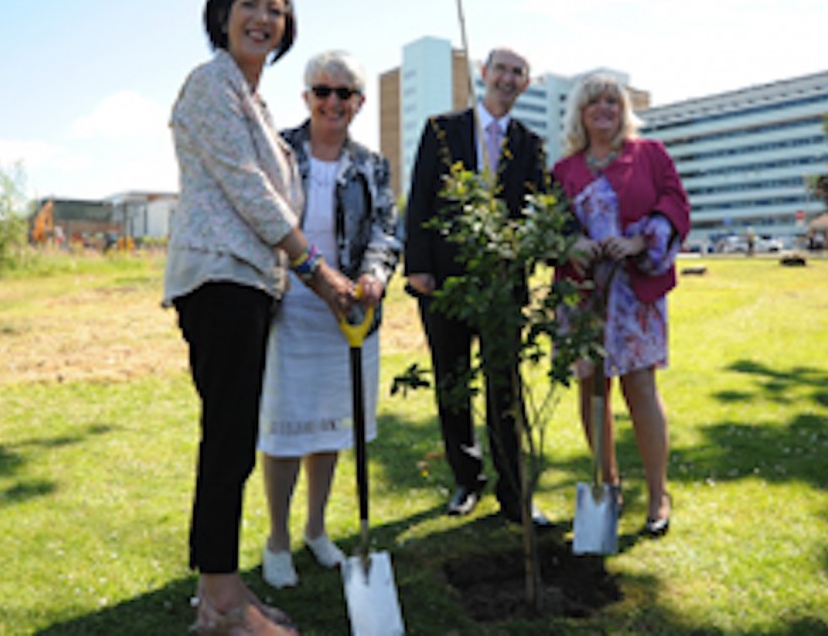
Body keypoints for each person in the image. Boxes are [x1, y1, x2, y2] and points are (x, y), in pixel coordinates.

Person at [163, 0, 355, 635]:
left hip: (249, 284)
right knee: (227, 443)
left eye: (276, 10)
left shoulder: (256, 102)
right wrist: (318, 271)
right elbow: (251, 191)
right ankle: (220, 604)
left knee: (233, 440)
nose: (264, 18)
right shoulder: (210, 85)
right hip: (221, 280)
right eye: (251, 5)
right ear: (222, 15)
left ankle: (223, 590)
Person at [258, 51, 401, 588]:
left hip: (349, 314)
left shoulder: (372, 163)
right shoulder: (278, 150)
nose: (333, 102)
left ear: (359, 103)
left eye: (345, 94)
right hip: (287, 309)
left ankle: (316, 531)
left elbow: (387, 228)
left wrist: (375, 275)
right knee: (284, 427)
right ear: (306, 97)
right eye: (323, 91)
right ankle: (277, 539)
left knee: (330, 427)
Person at [404, 47, 553, 527]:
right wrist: (418, 266)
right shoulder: (441, 131)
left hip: (503, 288)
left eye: (518, 72)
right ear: (484, 74)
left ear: (526, 84)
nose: (508, 79)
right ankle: (467, 479)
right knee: (452, 383)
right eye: (502, 69)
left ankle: (514, 493)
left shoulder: (531, 145)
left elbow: (541, 210)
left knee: (504, 389)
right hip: (444, 283)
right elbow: (421, 197)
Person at [552, 73, 690, 537]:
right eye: (594, 102)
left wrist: (639, 241)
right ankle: (606, 486)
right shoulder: (565, 170)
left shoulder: (649, 154)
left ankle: (657, 495)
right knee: (592, 390)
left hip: (635, 294)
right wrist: (573, 245)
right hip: (584, 294)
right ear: (581, 113)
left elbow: (676, 204)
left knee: (640, 389)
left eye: (613, 101)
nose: (604, 108)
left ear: (624, 109)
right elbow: (552, 225)